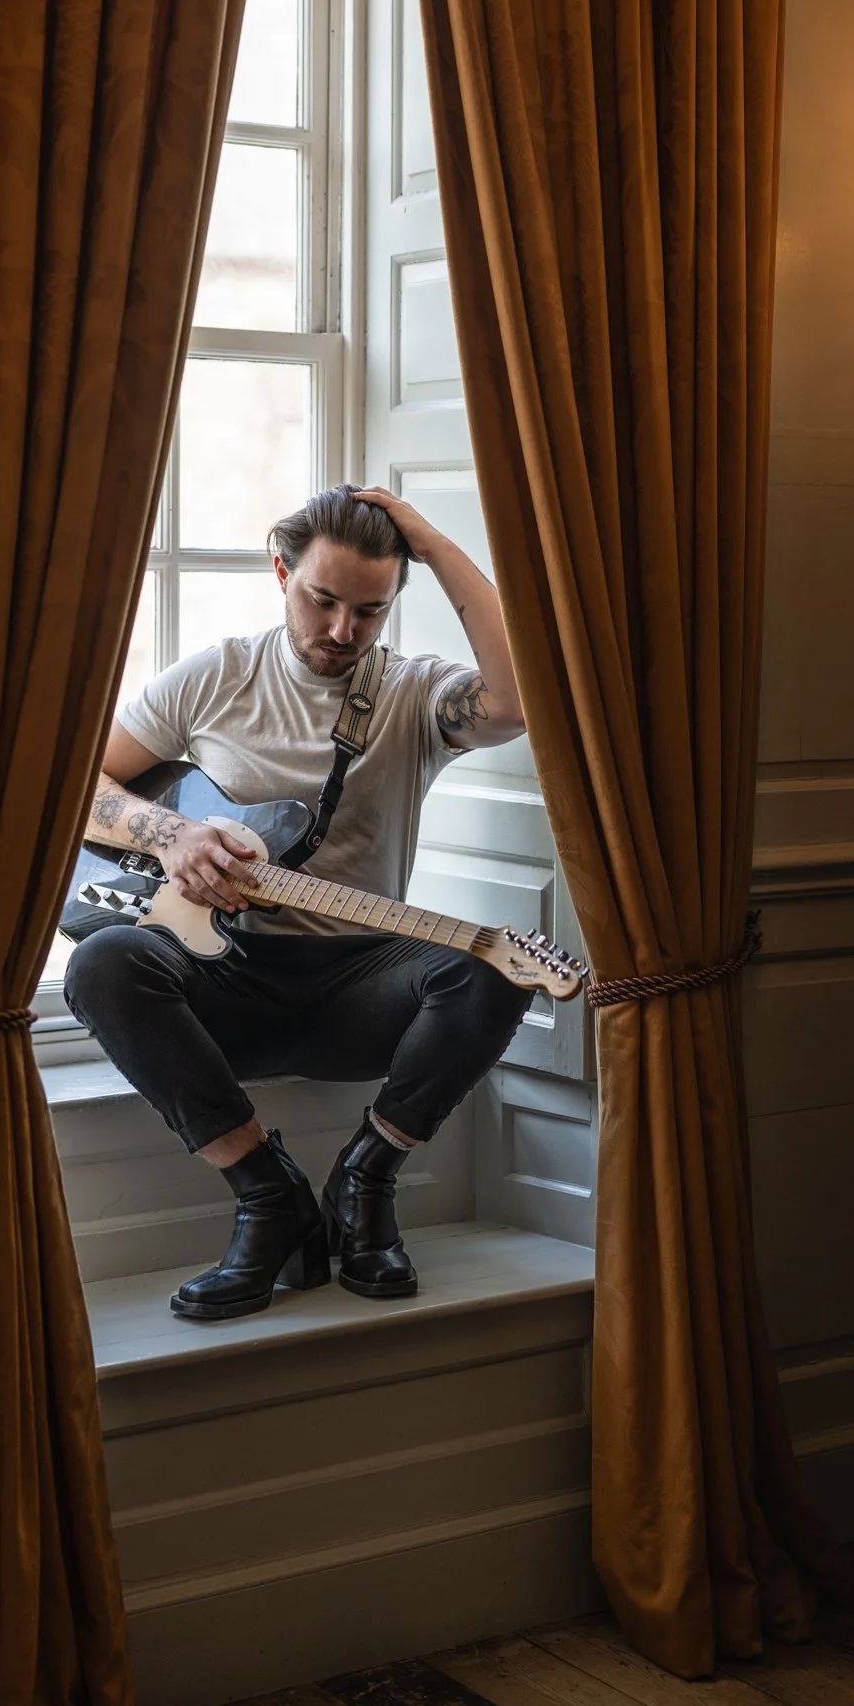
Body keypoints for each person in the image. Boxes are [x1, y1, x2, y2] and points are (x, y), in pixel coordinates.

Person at [63, 483, 534, 1320]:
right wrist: (171, 836)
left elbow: (519, 701)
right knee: (103, 963)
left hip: (359, 986)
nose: (342, 631)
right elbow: (74, 787)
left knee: (494, 967)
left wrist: (435, 544)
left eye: (370, 611)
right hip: (223, 988)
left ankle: (366, 1179)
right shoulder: (215, 677)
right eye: (323, 600)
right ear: (280, 571)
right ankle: (267, 1198)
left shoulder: (415, 694)